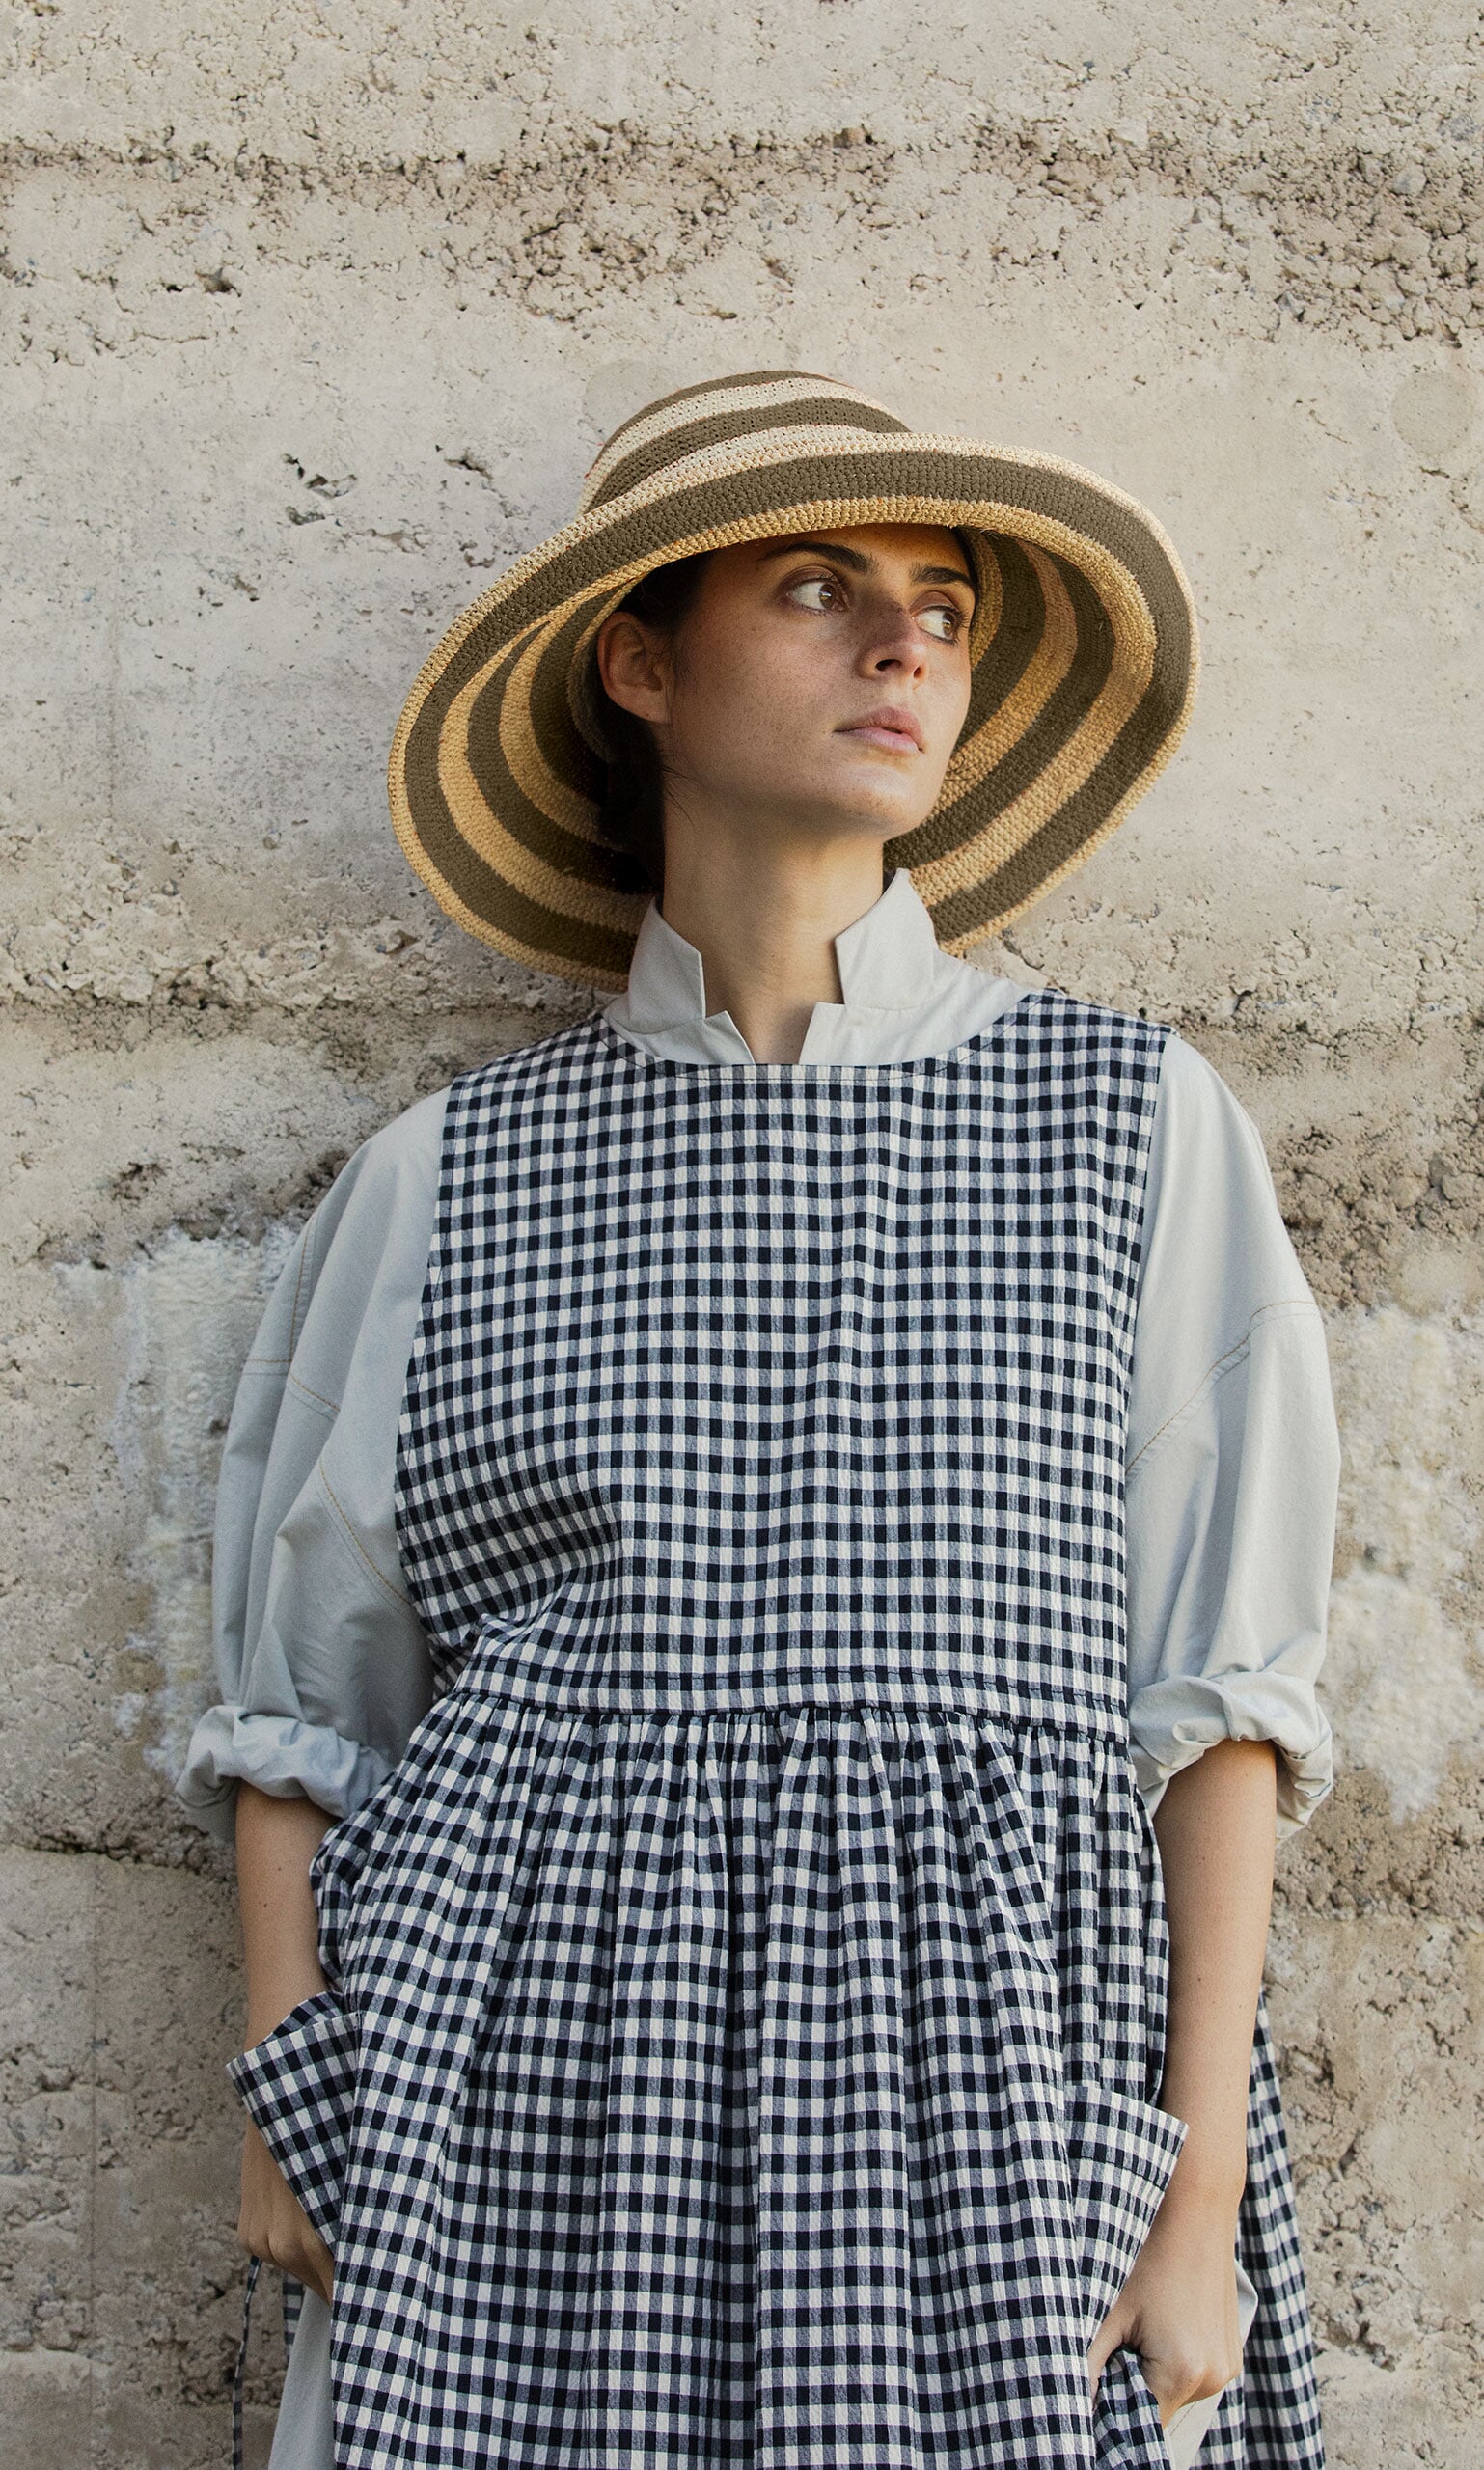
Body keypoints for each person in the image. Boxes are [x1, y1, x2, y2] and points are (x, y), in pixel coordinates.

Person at [177, 370, 1340, 2470]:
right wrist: (291, 2080)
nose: (904, 645)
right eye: (820, 588)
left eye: (943, 607)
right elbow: (310, 1689)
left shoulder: (1127, 1125)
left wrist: (1185, 2190)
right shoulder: (451, 1173)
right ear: (640, 658)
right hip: (524, 2076)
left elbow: (1220, 1692)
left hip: (987, 2087)